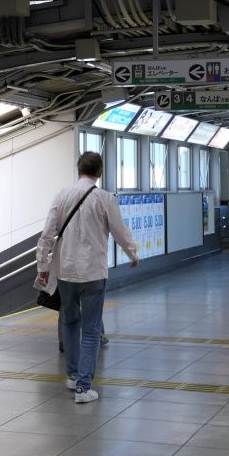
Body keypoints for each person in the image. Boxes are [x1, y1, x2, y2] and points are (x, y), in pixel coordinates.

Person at [35, 151, 137, 404]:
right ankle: (83, 387)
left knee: (69, 323)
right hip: (93, 272)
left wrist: (42, 265)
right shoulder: (105, 198)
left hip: (66, 272)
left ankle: (72, 375)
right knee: (90, 331)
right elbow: (119, 231)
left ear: (79, 168)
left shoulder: (62, 195)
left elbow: (47, 234)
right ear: (99, 172)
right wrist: (132, 253)